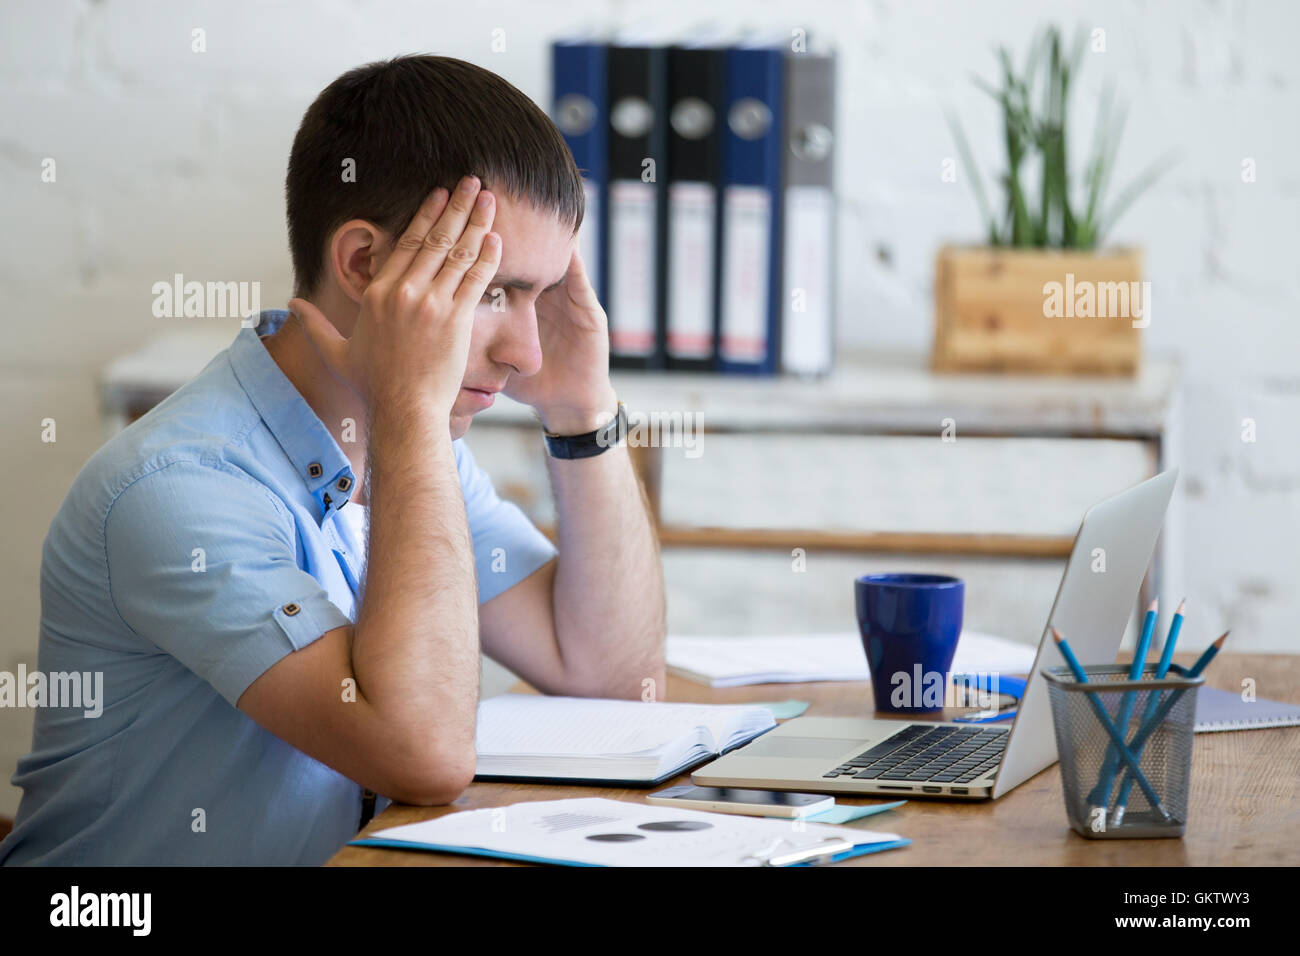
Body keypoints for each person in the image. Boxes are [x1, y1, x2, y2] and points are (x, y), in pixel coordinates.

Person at [0, 54, 666, 866]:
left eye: (543, 296)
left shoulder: (414, 450)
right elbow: (421, 753)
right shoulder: (179, 490)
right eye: (493, 292)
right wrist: (413, 411)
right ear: (363, 265)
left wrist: (582, 413)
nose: (528, 351)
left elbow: (615, 679)